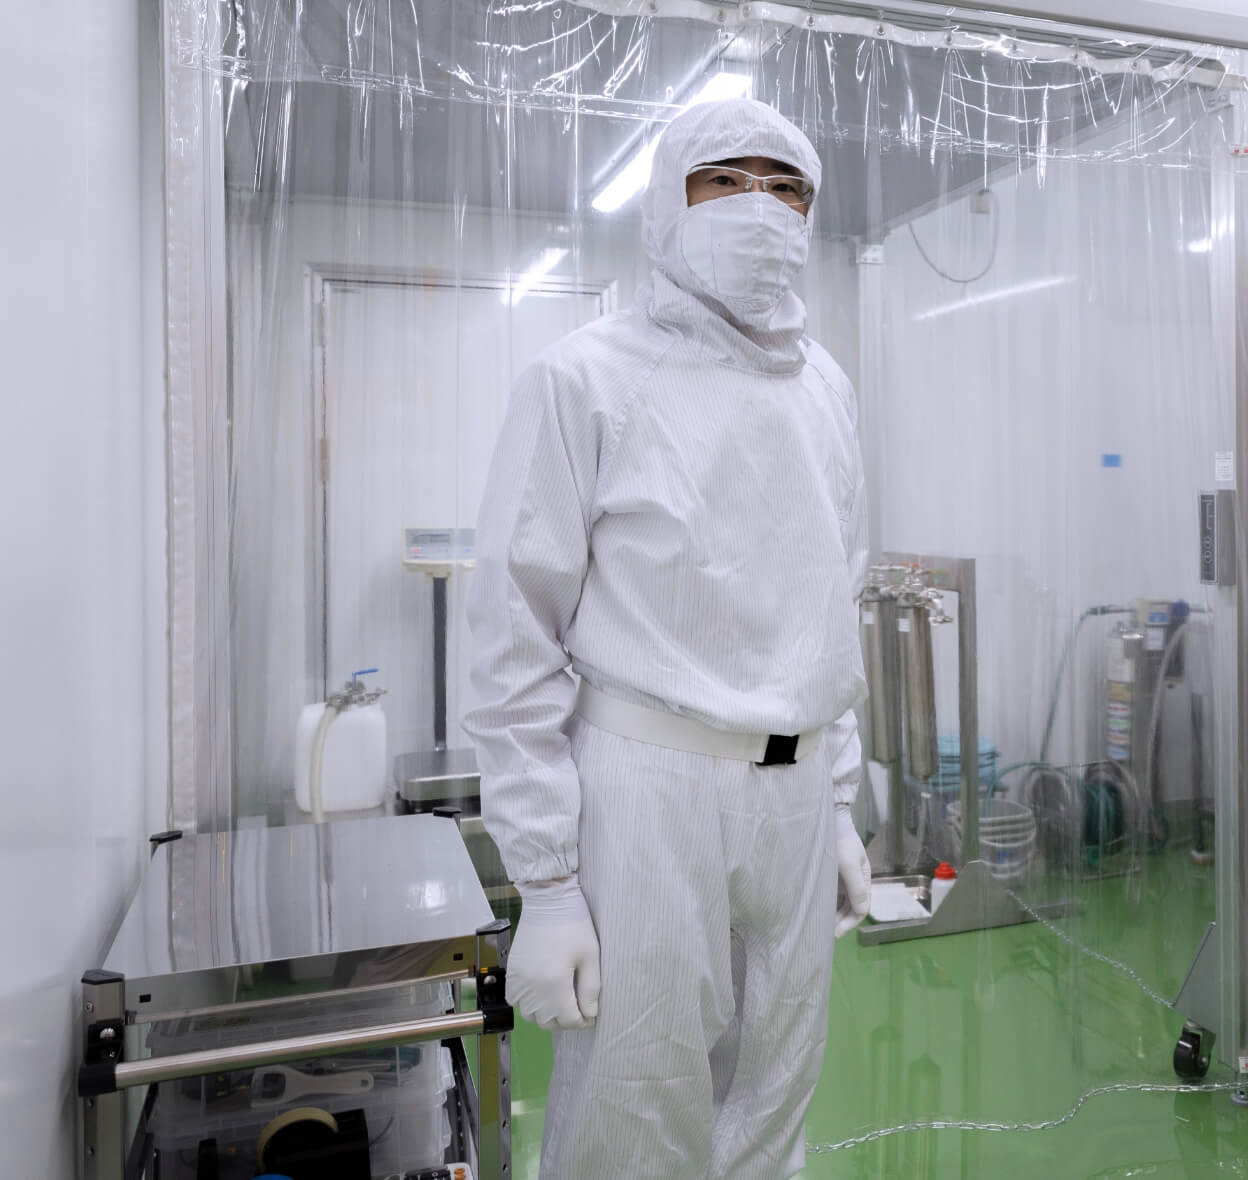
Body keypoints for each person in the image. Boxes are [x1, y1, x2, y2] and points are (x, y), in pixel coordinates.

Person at [464, 96, 871, 1180]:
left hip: (795, 792)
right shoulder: (584, 378)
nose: (760, 208)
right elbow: (514, 638)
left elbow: (834, 600)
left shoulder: (827, 390)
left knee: (776, 1094)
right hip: (650, 787)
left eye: (787, 189)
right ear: (666, 205)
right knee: (634, 1109)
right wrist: (547, 883)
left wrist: (838, 804)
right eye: (725, 180)